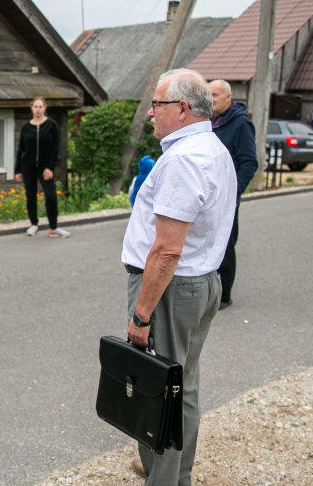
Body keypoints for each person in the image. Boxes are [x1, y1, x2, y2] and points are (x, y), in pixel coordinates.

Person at [122, 69, 236, 486]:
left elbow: (167, 249)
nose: (151, 112)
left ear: (182, 109)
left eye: (157, 104)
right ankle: (171, 471)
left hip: (172, 288)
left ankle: (164, 478)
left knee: (160, 390)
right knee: (182, 385)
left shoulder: (186, 158)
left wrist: (141, 315)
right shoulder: (212, 147)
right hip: (201, 281)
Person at [208, 79, 258, 310]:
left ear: (228, 97)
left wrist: (233, 192)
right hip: (209, 197)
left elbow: (249, 163)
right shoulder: (209, 122)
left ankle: (224, 295)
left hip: (227, 200)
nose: (211, 99)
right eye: (208, 94)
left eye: (215, 94)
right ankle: (209, 291)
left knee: (225, 246)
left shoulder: (240, 124)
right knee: (208, 243)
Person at [14, 96, 69, 238]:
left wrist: (50, 167)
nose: (38, 109)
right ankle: (33, 224)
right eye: (35, 106)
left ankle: (54, 227)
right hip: (28, 166)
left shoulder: (51, 125)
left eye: (40, 107)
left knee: (51, 195)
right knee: (30, 196)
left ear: (45, 108)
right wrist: (18, 170)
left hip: (45, 167)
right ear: (31, 108)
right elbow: (21, 149)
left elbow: (55, 148)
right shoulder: (26, 127)